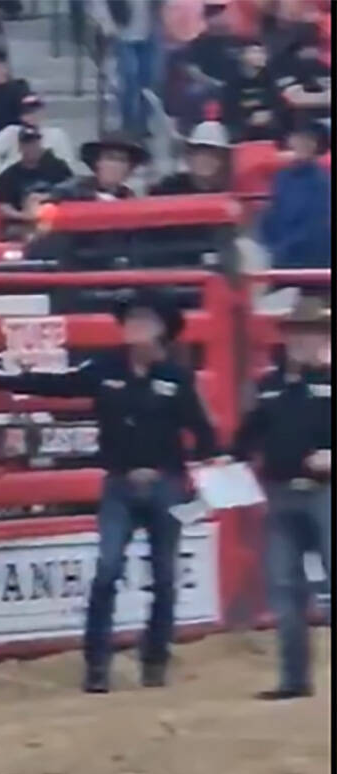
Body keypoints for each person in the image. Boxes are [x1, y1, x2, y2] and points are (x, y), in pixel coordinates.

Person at [0, 289, 219, 692]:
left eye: (142, 320)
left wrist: (210, 470)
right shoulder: (107, 367)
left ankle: (154, 660)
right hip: (122, 484)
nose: (133, 327)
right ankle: (97, 667)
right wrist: (4, 380)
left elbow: (204, 434)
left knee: (163, 577)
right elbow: (61, 384)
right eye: (130, 320)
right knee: (107, 572)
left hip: (164, 485)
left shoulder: (178, 378)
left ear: (161, 330)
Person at [233, 296, 331, 700]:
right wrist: (223, 461)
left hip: (325, 492)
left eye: (311, 332)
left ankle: (295, 679)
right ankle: (294, 679)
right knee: (283, 586)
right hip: (280, 492)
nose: (303, 339)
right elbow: (246, 437)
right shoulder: (267, 386)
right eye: (298, 331)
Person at [259, 116, 331, 268]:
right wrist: (265, 250)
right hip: (276, 259)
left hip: (309, 263)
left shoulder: (324, 183)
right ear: (290, 141)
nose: (303, 144)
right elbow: (270, 218)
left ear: (317, 146)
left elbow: (314, 229)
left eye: (310, 140)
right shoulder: (280, 178)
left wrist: (277, 252)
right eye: (299, 138)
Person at [91, 0, 163, 137]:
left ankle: (143, 123)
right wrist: (108, 26)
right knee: (129, 77)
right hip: (122, 35)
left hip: (149, 35)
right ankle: (128, 123)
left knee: (148, 80)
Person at [0, 125, 74, 240]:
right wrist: (25, 216)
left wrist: (46, 198)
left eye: (34, 144)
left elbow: (72, 191)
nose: (32, 148)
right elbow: (3, 206)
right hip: (24, 224)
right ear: (20, 147)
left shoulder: (58, 167)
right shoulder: (9, 175)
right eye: (27, 144)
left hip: (55, 220)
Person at [0, 94, 83, 179]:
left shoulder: (57, 134)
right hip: (15, 180)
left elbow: (67, 162)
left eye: (36, 111)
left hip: (48, 181)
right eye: (28, 112)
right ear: (21, 116)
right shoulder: (11, 132)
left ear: (42, 112)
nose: (33, 116)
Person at [49, 130, 149, 201]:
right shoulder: (77, 187)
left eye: (122, 160)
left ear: (129, 169)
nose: (115, 165)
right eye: (110, 158)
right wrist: (94, 197)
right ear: (97, 163)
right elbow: (59, 193)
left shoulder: (128, 195)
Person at [223, 39, 287, 142]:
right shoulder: (232, 83)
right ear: (243, 56)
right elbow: (229, 113)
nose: (260, 56)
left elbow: (280, 105)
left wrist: (271, 115)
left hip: (272, 129)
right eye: (254, 52)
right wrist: (249, 120)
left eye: (262, 52)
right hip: (242, 131)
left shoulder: (272, 79)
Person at [150, 120, 232, 194]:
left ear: (224, 158)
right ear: (188, 156)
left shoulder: (233, 190)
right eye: (198, 151)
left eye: (212, 152)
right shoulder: (168, 189)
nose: (204, 157)